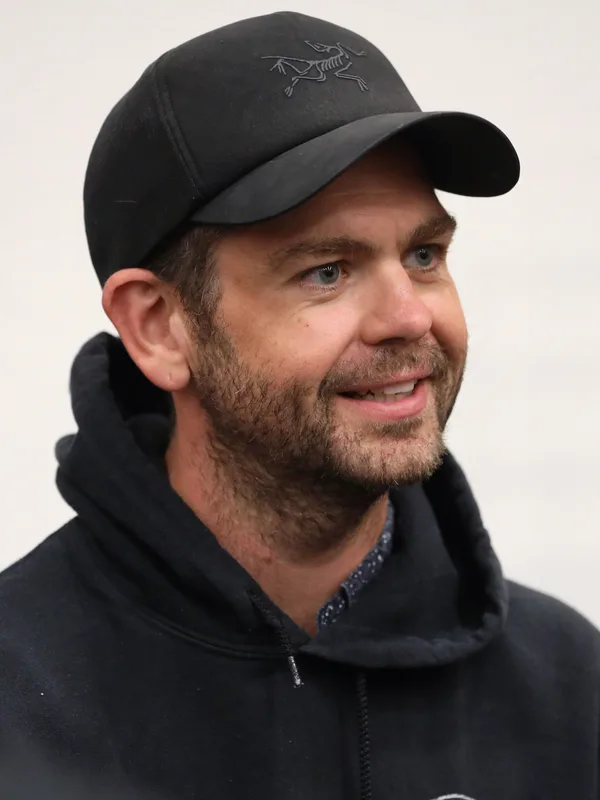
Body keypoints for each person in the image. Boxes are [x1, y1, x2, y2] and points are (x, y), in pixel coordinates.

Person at [0, 9, 598, 800]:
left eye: (424, 255)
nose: (409, 317)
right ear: (159, 326)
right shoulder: (19, 700)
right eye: (327, 270)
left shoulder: (568, 690)